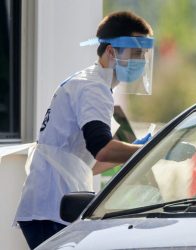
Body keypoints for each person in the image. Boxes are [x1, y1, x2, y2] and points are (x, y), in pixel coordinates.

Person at [14, 11, 154, 249]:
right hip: (52, 206)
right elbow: (102, 149)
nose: (141, 61)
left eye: (143, 54)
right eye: (136, 53)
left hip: (53, 204)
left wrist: (136, 150)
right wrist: (151, 151)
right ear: (111, 51)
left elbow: (92, 164)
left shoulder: (93, 84)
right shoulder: (93, 88)